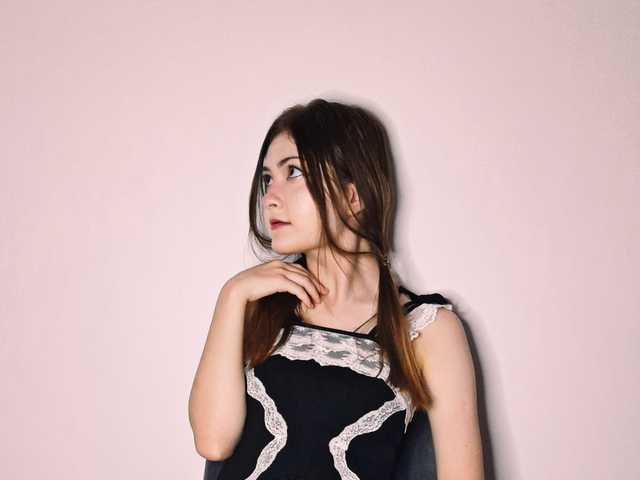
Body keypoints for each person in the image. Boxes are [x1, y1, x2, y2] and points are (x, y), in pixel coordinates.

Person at [188, 98, 484, 479]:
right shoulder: (254, 304)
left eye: (293, 172)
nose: (270, 198)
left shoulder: (426, 329)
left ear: (353, 195)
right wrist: (230, 297)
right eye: (267, 180)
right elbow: (213, 442)